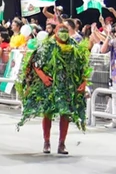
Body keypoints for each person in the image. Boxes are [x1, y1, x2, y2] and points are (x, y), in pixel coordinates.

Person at [17, 24, 90, 154]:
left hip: (67, 87)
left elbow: (83, 66)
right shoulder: (47, 46)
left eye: (65, 31)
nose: (63, 34)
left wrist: (84, 82)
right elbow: (35, 64)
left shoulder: (74, 47)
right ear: (55, 32)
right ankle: (46, 141)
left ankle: (62, 143)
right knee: (48, 112)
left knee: (65, 113)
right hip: (50, 86)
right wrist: (43, 77)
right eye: (60, 31)